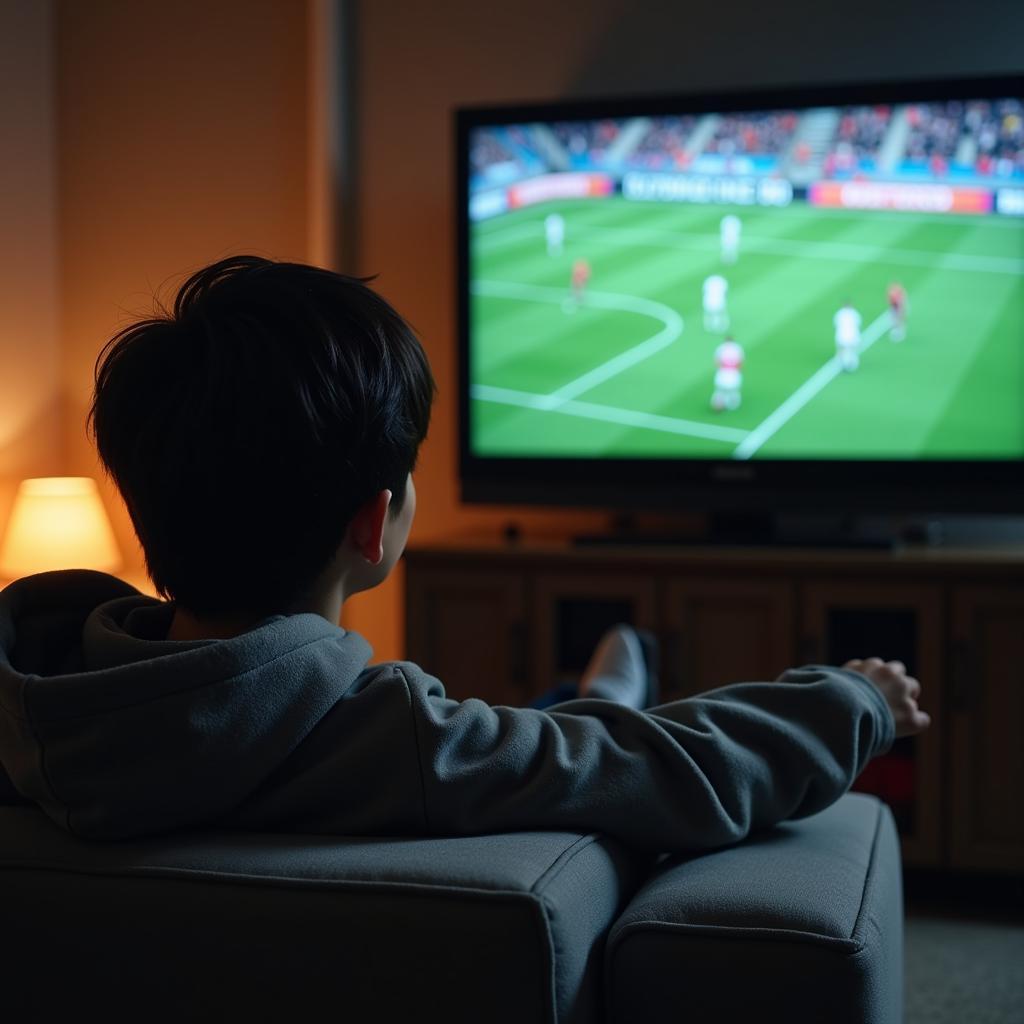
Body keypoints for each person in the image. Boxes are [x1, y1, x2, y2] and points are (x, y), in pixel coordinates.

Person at [0, 256, 928, 852]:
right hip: (544, 742)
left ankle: (599, 690)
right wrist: (853, 698)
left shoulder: (37, 699)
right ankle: (603, 689)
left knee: (576, 725)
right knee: (585, 733)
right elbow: (665, 770)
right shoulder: (407, 745)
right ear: (377, 524)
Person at [711, 335, 744, 411]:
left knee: (720, 391)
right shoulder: (737, 348)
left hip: (723, 372)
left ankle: (719, 404)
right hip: (733, 372)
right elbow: (740, 363)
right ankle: (731, 405)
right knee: (733, 391)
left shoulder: (721, 348)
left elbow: (716, 362)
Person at [834, 299, 862, 371]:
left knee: (841, 350)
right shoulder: (854, 313)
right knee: (852, 350)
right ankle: (852, 364)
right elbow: (858, 324)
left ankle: (842, 364)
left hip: (842, 335)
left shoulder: (839, 313)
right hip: (852, 335)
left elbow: (836, 325)